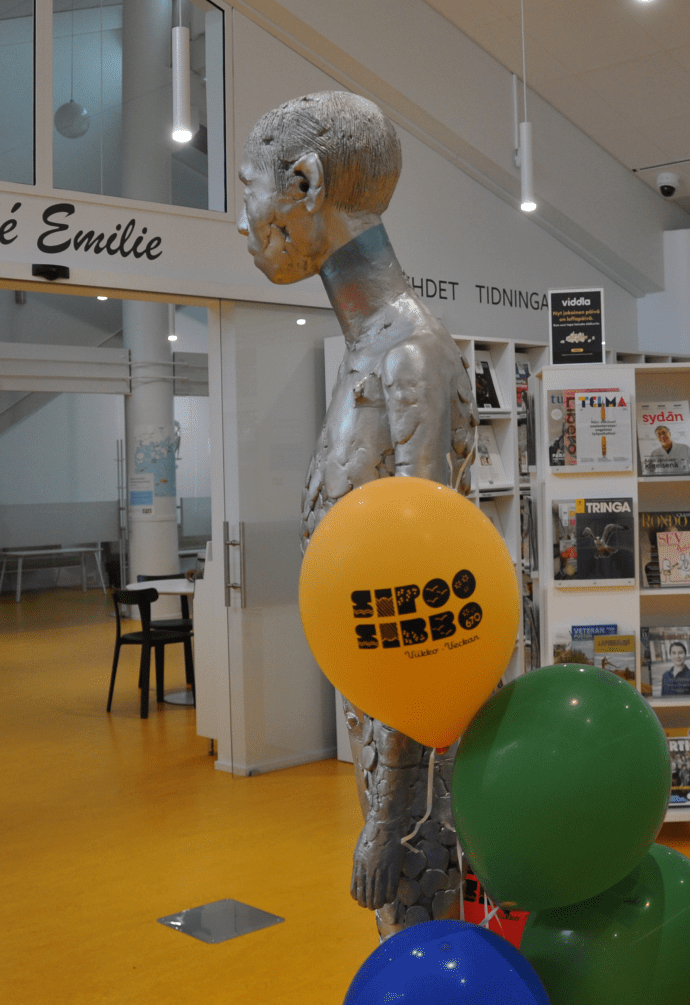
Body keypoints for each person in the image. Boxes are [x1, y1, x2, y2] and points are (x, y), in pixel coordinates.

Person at [238, 91, 474, 939]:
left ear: (304, 183)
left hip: (415, 774)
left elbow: (428, 607)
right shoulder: (371, 350)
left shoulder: (409, 355)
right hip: (379, 732)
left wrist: (390, 816)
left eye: (249, 188)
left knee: (421, 940)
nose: (241, 219)